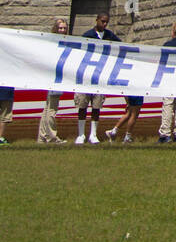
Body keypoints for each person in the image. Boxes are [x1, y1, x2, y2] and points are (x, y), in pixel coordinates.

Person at [74, 12, 122, 144]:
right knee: (82, 105)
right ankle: (81, 134)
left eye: (106, 22)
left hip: (100, 76)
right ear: (97, 20)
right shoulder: (87, 35)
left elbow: (121, 46)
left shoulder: (109, 36)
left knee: (96, 106)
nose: (104, 24)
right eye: (102, 21)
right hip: (86, 76)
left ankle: (93, 134)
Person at [38, 18, 70, 144]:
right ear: (56, 29)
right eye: (60, 28)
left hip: (57, 78)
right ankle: (51, 137)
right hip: (54, 78)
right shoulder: (53, 42)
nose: (62, 30)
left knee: (47, 109)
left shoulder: (66, 42)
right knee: (51, 109)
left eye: (64, 28)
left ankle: (42, 137)